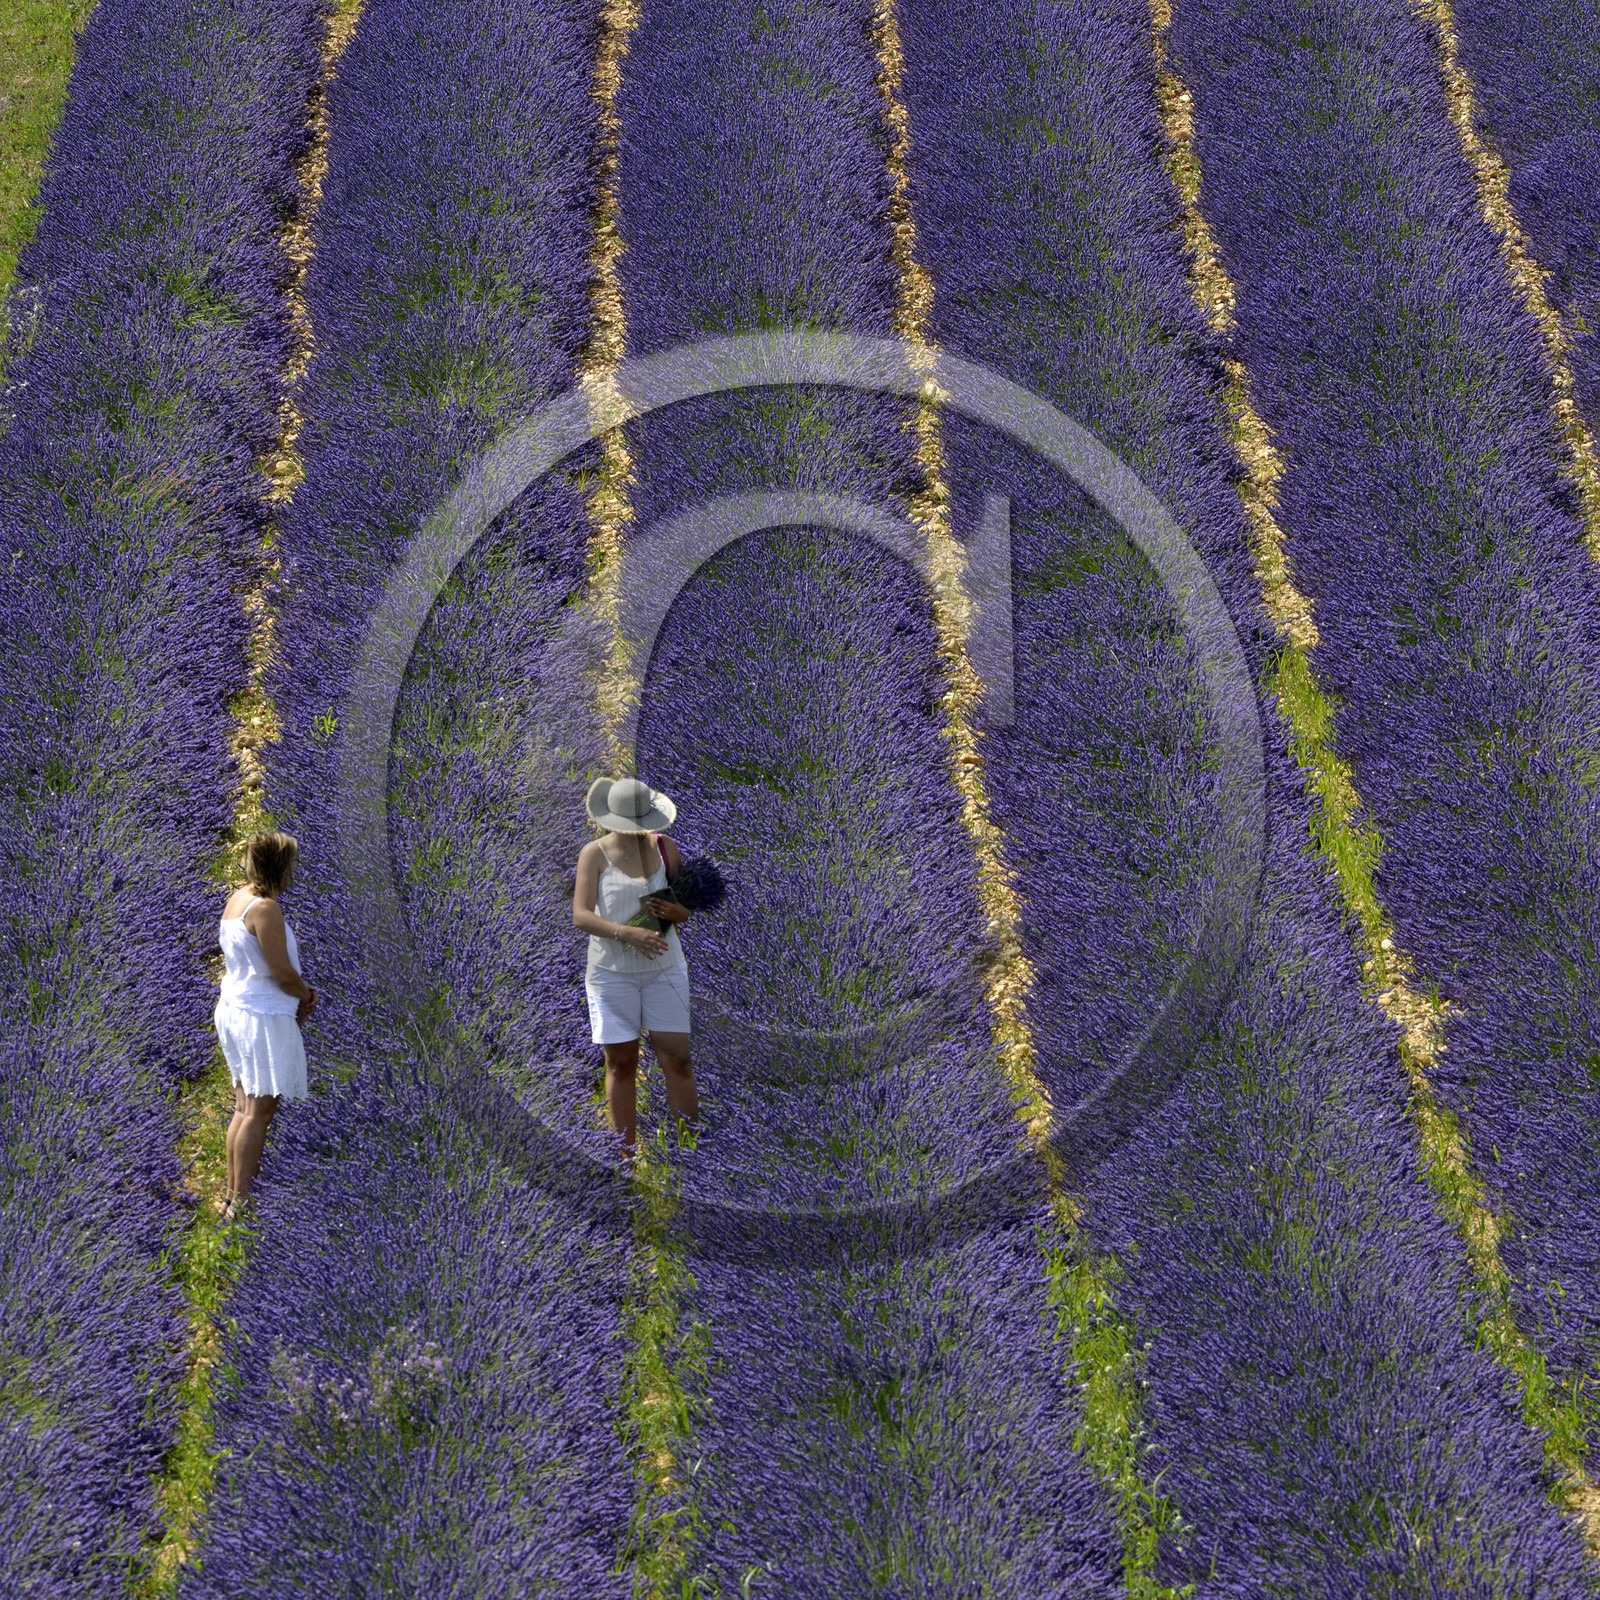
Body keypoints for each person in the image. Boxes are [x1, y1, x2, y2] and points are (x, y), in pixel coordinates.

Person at [572, 776, 697, 1154]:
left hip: (665, 969)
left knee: (678, 1059)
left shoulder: (665, 847)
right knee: (621, 1065)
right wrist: (624, 932)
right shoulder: (594, 854)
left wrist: (679, 912)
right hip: (612, 974)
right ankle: (624, 1159)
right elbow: (580, 915)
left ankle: (691, 1155)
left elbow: (687, 906)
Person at [214, 830, 317, 1222]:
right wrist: (306, 994)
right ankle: (240, 1205)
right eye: (291, 863)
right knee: (259, 1110)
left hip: (237, 1009)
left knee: (243, 1108)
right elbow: (282, 973)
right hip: (261, 1016)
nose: (295, 870)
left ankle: (229, 1197)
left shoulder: (237, 899)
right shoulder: (265, 908)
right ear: (280, 867)